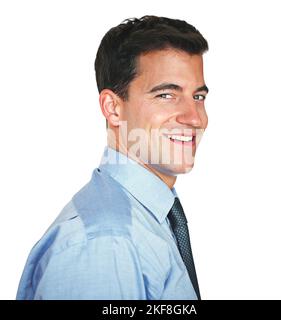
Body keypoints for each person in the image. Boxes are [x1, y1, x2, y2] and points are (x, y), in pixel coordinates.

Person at [16, 15, 209, 300]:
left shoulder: (146, 219)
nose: (194, 118)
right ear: (113, 108)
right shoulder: (105, 243)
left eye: (198, 97)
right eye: (166, 95)